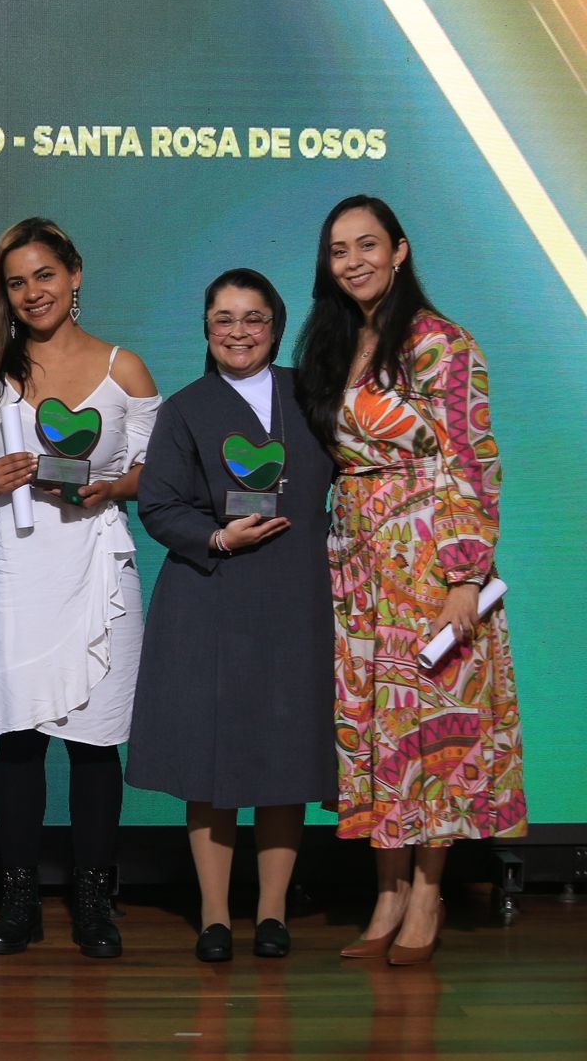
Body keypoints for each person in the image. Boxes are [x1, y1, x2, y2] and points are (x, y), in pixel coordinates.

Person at [294, 196, 525, 965]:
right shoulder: (334, 343)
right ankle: (386, 891)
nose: (353, 260)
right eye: (338, 249)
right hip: (358, 557)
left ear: (400, 249)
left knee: (432, 725)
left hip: (429, 554)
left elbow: (474, 460)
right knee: (374, 723)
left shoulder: (442, 343)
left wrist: (467, 576)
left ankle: (428, 889)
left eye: (368, 245)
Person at [0, 217, 159, 958]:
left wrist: (109, 488)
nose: (32, 292)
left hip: (97, 567)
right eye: (16, 282)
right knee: (17, 739)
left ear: (75, 275)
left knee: (97, 745)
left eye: (44, 274)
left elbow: (150, 473)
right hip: (13, 568)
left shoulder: (124, 369)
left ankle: (94, 901)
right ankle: (18, 903)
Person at [127, 269, 334, 962]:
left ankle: (272, 912)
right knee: (210, 761)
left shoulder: (315, 395)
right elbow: (157, 504)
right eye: (224, 319)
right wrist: (217, 537)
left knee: (286, 754)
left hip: (298, 599)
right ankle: (215, 916)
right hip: (210, 596)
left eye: (253, 319)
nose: (238, 332)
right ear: (206, 330)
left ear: (275, 327)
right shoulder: (185, 409)